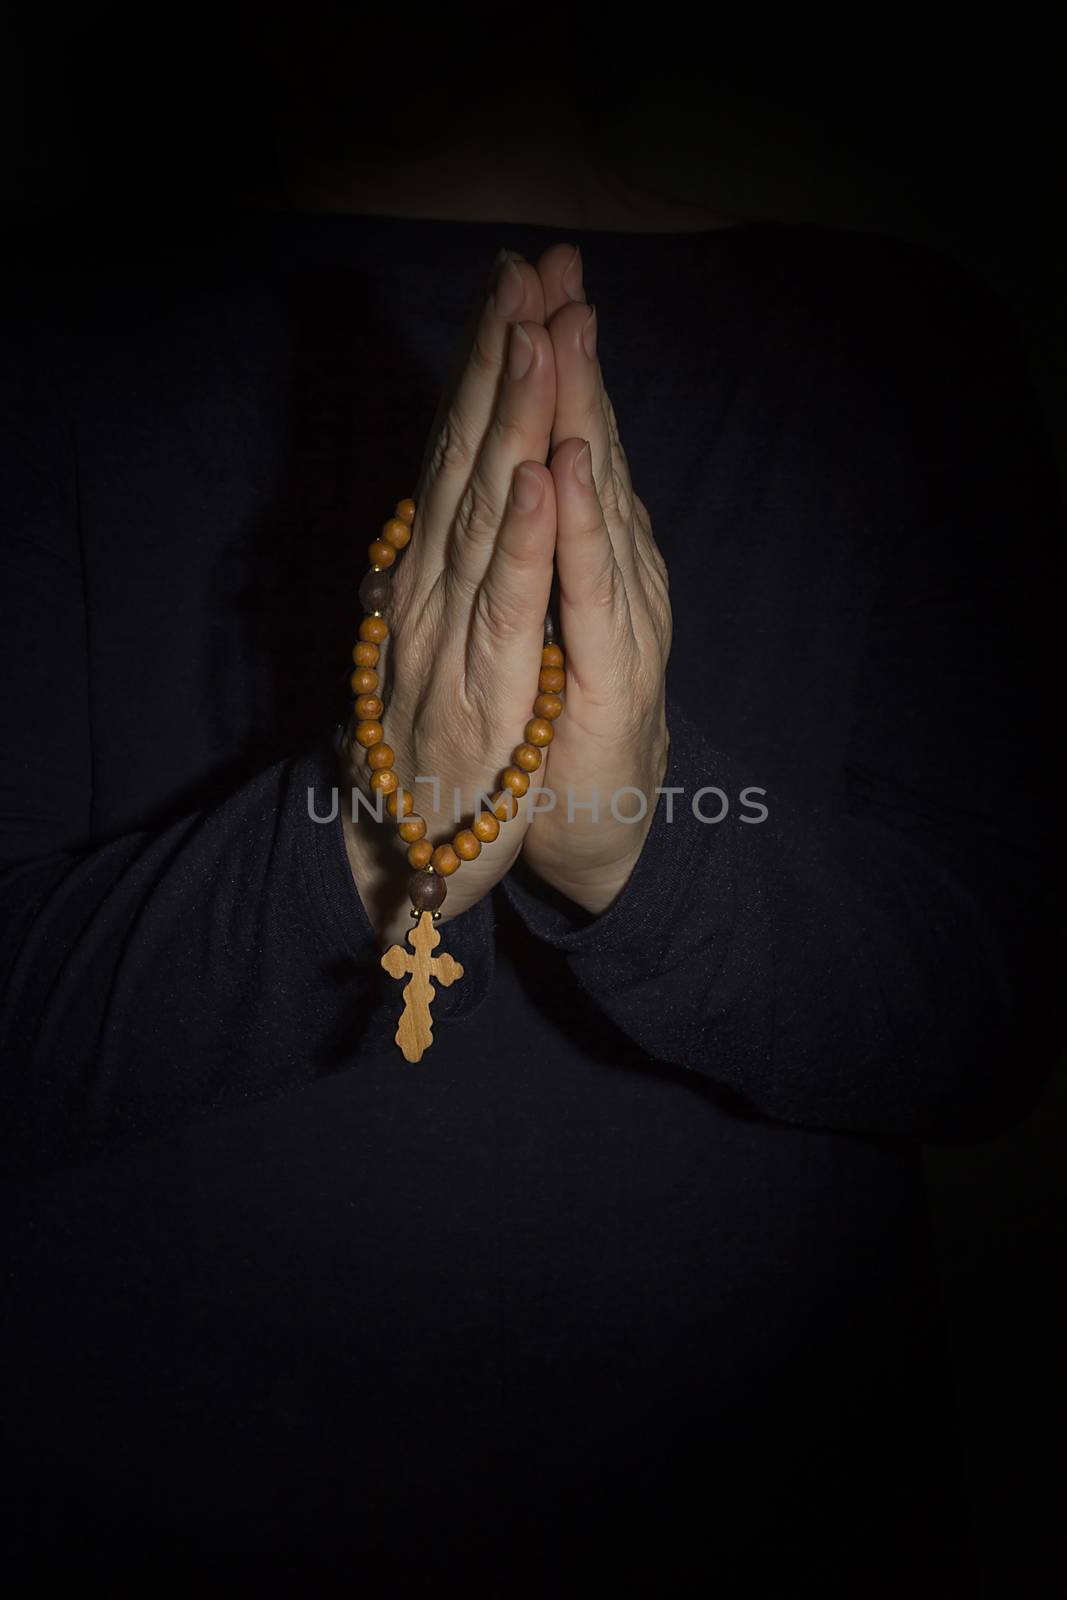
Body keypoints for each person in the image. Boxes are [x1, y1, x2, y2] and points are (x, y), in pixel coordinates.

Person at [0, 34, 1062, 1597]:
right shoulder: (44, 333)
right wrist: (374, 828)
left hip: (766, 1522)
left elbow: (993, 1018)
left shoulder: (901, 341)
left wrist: (636, 832)